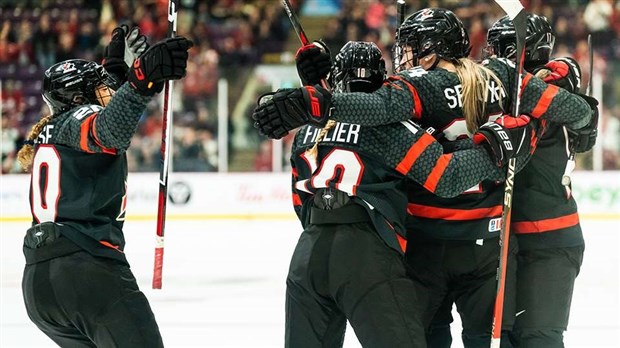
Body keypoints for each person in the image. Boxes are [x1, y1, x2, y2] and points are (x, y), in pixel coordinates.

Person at [253, 8, 595, 348]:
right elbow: (574, 110)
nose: (403, 59)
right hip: (488, 241)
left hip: (423, 243)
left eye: (410, 48)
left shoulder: (414, 87)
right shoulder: (500, 75)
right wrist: (575, 123)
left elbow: (372, 112)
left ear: (429, 49)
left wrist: (314, 99)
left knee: (429, 337)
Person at [277, 40, 533, 347]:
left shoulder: (307, 131)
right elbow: (446, 177)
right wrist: (497, 151)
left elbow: (298, 201)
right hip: (366, 252)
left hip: (308, 254)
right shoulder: (391, 128)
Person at [16, 26, 193, 347]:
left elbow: (105, 113)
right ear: (79, 98)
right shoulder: (81, 116)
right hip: (87, 271)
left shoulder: (53, 128)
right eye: (101, 88)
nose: (110, 90)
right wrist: (141, 80)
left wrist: (117, 70)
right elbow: (110, 129)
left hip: (39, 285)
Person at [485, 13, 598, 348]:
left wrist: (563, 72)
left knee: (538, 340)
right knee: (502, 338)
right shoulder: (512, 88)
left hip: (549, 238)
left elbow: (582, 120)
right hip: (505, 237)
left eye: (503, 49)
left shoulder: (551, 92)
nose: (494, 58)